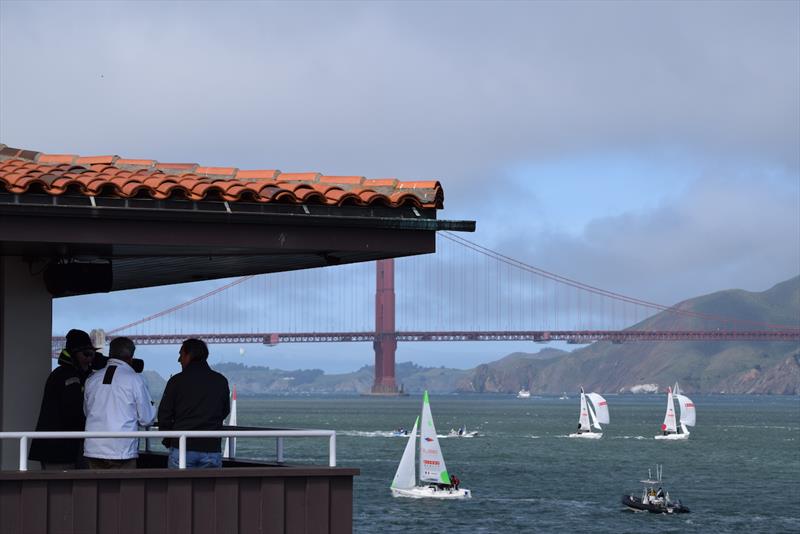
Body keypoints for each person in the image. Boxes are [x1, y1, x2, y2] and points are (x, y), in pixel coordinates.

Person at [29, 329, 97, 470]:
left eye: (92, 354)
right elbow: (73, 410)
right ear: (74, 354)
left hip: (64, 447)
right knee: (60, 489)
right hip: (58, 449)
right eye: (86, 354)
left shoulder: (69, 375)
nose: (90, 358)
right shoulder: (67, 377)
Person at [83, 337, 155, 469]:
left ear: (110, 353)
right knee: (124, 489)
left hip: (93, 449)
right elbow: (147, 419)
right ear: (131, 356)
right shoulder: (135, 380)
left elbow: (87, 412)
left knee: (96, 489)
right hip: (122, 450)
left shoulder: (92, 379)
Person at [158, 338, 230, 469]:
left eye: (181, 354)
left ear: (189, 355)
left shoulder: (176, 381)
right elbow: (225, 411)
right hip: (211, 448)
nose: (179, 359)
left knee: (179, 487)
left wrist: (169, 439)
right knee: (210, 488)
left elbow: (164, 415)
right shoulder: (220, 381)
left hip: (181, 447)